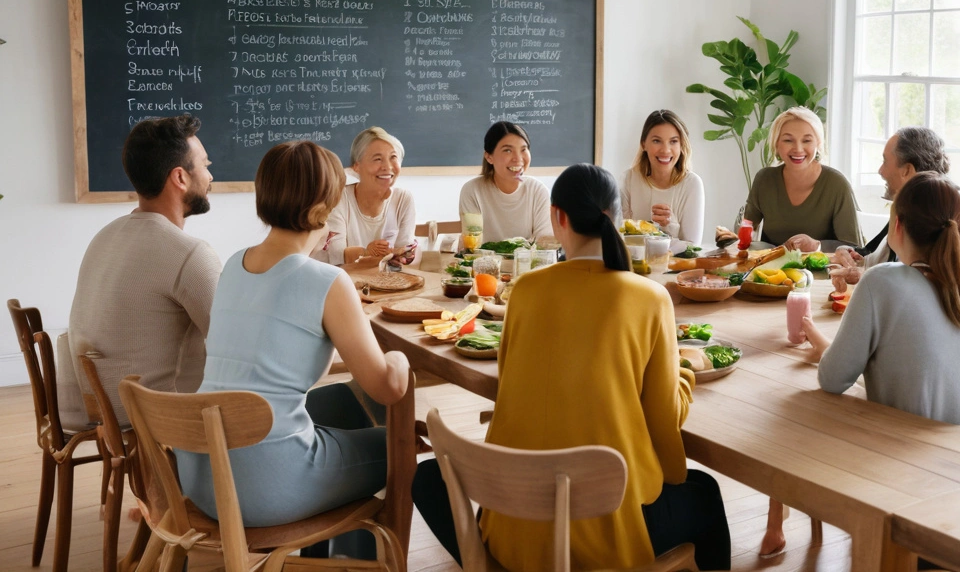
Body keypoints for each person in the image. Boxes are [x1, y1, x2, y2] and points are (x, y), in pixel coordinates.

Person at [413, 164, 731, 571]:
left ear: (557, 216)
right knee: (702, 491)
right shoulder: (650, 299)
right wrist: (683, 372)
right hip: (605, 538)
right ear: (617, 218)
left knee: (424, 478)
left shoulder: (524, 291)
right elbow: (664, 423)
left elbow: (509, 384)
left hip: (512, 532)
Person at [176, 141, 411, 559]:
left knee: (339, 403)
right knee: (396, 445)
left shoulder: (233, 263)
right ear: (326, 202)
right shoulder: (325, 281)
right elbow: (387, 388)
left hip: (201, 473)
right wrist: (399, 356)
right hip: (263, 487)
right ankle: (353, 562)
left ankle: (332, 559)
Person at [759, 173, 960, 557]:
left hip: (908, 479)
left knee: (790, 408)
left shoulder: (882, 281)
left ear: (896, 227)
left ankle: (778, 524)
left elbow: (833, 379)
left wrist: (828, 349)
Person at [64, 114, 221, 428]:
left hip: (99, 407)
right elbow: (231, 341)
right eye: (205, 165)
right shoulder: (188, 253)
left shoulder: (105, 235)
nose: (210, 175)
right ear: (180, 177)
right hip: (150, 416)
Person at [829, 126, 952, 292]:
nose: (881, 171)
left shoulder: (929, 223)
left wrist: (863, 276)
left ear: (907, 170)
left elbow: (909, 289)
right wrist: (847, 253)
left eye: (885, 161)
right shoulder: (909, 209)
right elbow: (874, 257)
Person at [744, 107, 863, 251]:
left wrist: (817, 246)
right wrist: (734, 239)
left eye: (807, 140)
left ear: (818, 144)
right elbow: (748, 226)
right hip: (771, 271)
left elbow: (854, 247)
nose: (798, 149)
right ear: (776, 144)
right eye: (788, 140)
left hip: (823, 271)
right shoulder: (764, 179)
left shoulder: (836, 184)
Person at [312, 126, 417, 266]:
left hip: (384, 283)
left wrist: (403, 255)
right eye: (378, 159)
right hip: (340, 281)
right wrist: (367, 252)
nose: (387, 166)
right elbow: (337, 255)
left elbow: (404, 253)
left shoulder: (403, 199)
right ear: (357, 166)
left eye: (393, 157)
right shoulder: (338, 198)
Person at [458, 121, 554, 245]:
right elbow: (472, 245)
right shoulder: (472, 190)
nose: (518, 158)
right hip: (484, 262)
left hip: (526, 263)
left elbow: (544, 244)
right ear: (489, 157)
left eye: (523, 149)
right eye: (508, 150)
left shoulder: (537, 190)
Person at [620, 110, 705, 247]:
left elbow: (693, 247)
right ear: (644, 144)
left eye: (673, 141)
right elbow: (622, 240)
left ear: (682, 145)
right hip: (632, 267)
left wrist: (670, 227)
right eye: (656, 141)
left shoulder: (692, 184)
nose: (665, 150)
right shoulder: (628, 180)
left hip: (678, 268)